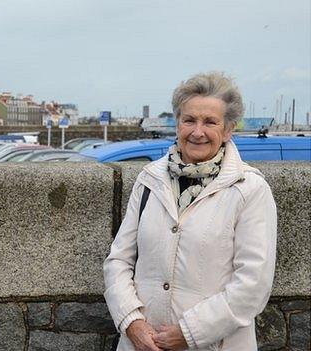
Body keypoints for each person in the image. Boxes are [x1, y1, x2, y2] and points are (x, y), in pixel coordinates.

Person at [103, 72, 277, 350]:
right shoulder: (149, 179)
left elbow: (253, 285)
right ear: (177, 124)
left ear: (228, 129)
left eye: (210, 122)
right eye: (189, 120)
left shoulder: (249, 189)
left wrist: (189, 332)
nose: (198, 132)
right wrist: (132, 322)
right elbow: (119, 261)